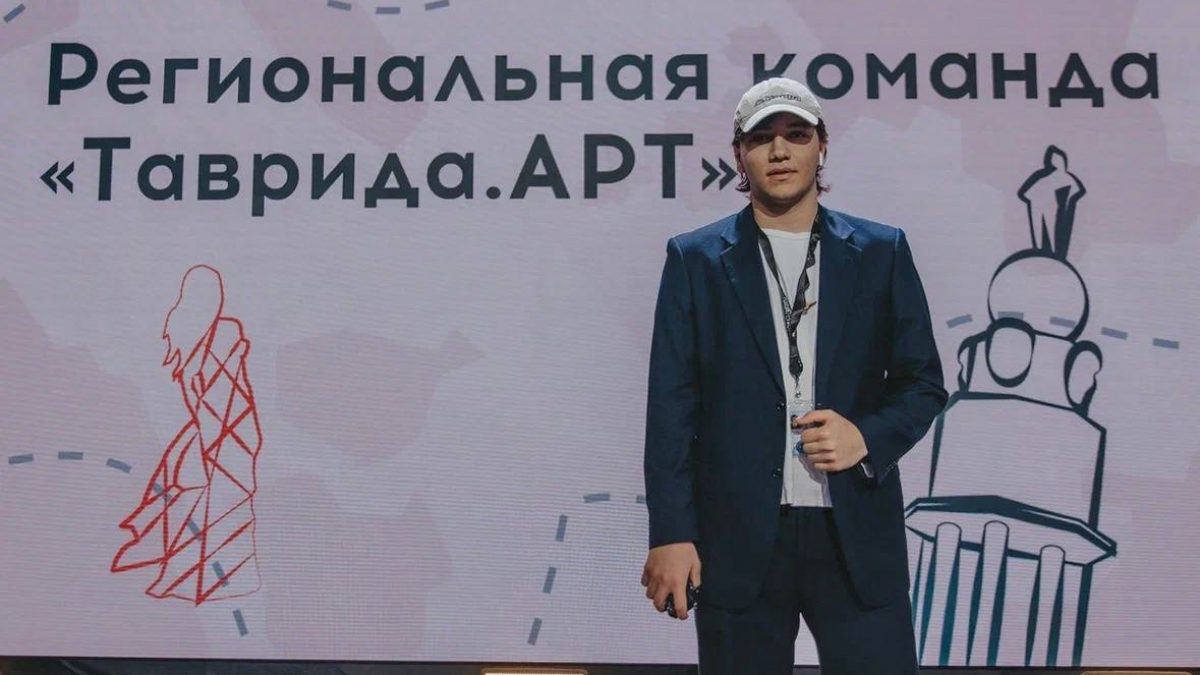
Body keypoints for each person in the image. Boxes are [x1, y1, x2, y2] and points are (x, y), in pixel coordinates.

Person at [641, 78, 948, 674]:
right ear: (739, 155)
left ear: (822, 146)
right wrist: (671, 532)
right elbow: (671, 408)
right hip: (738, 540)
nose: (779, 151)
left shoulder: (881, 251)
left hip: (855, 533)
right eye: (762, 138)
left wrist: (866, 436)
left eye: (796, 135)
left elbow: (923, 382)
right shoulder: (695, 259)